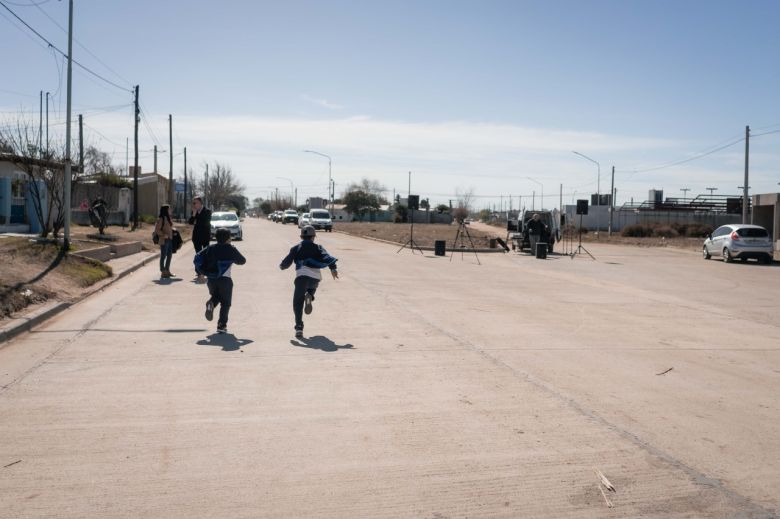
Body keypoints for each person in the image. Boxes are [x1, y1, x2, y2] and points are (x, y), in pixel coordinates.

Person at [279, 225, 338, 338]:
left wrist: (282, 266)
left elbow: (287, 261)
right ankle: (310, 295)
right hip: (315, 277)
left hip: (301, 276)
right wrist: (333, 268)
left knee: (297, 302)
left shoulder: (296, 247)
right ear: (313, 237)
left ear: (302, 236)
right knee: (312, 286)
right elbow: (327, 257)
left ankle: (299, 327)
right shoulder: (318, 247)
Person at [195, 228, 246, 334]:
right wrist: (233, 257)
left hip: (211, 280)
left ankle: (211, 304)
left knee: (217, 296)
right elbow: (242, 261)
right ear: (228, 238)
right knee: (226, 303)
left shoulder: (211, 248)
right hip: (225, 280)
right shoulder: (230, 249)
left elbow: (197, 257)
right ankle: (221, 325)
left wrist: (202, 272)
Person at [188, 196, 212, 282]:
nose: (194, 205)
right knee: (198, 254)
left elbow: (205, 222)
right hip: (196, 237)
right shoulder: (194, 212)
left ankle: (205, 271)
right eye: (193, 203)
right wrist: (194, 215)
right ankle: (199, 272)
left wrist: (196, 219)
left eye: (196, 203)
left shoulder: (207, 211)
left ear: (201, 203)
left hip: (205, 237)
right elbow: (190, 222)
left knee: (205, 255)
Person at [154, 204, 176, 278]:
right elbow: (157, 230)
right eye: (169, 209)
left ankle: (167, 270)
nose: (170, 210)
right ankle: (163, 271)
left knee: (169, 255)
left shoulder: (168, 218)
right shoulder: (161, 219)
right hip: (164, 240)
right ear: (166, 210)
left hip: (170, 240)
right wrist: (163, 235)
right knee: (163, 256)